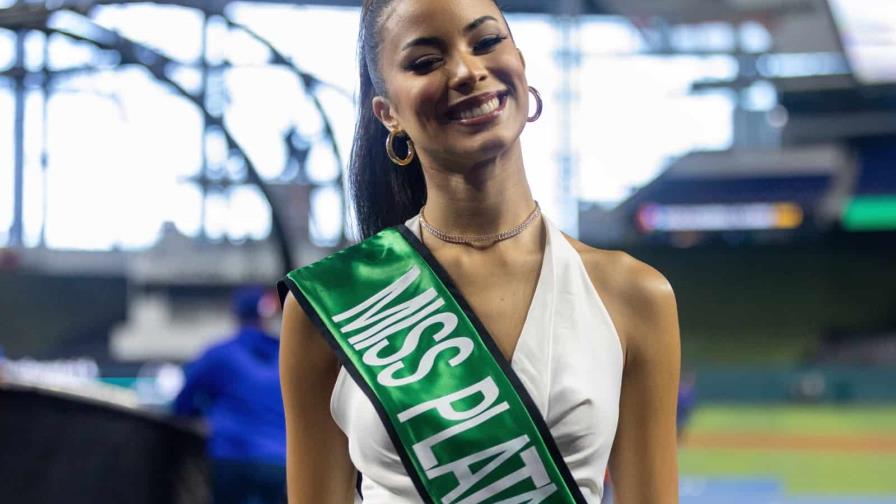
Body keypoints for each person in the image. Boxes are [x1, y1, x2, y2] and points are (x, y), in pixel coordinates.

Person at [278, 1, 681, 502]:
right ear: (389, 114)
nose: (468, 71)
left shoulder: (635, 296)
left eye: (487, 42)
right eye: (426, 62)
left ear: (521, 63)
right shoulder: (332, 303)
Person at [173, 287, 287, 504]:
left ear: (236, 315)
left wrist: (200, 412)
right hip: (279, 460)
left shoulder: (220, 354)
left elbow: (183, 402)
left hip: (231, 458)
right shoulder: (284, 357)